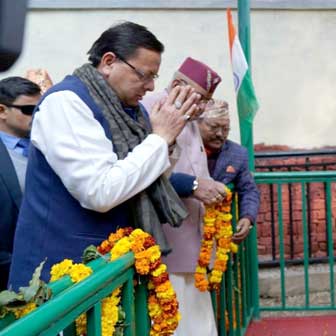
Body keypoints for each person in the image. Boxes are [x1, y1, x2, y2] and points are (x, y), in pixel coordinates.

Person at [8, 21, 225, 288]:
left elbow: (149, 177)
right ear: (109, 61)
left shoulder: (132, 111)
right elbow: (100, 192)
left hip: (111, 266)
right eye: (143, 75)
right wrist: (160, 138)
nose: (149, 87)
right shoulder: (65, 103)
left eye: (154, 78)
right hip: (60, 276)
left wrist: (165, 144)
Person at [141, 57, 226, 336]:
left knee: (198, 323)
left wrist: (210, 187)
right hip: (167, 241)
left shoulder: (188, 116)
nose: (202, 107)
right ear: (177, 84)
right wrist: (192, 185)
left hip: (193, 239)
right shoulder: (152, 107)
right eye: (199, 98)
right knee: (176, 322)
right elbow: (147, 171)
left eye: (206, 101)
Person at [198, 99, 260, 243]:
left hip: (218, 235)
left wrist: (247, 217)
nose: (220, 134)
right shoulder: (183, 148)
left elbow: (249, 190)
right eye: (214, 127)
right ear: (197, 123)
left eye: (225, 129)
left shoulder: (238, 154)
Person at [0, 77, 41, 290]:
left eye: (39, 109)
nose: (36, 116)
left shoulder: (47, 144)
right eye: (28, 110)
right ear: (2, 111)